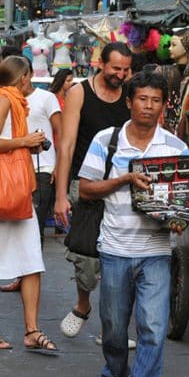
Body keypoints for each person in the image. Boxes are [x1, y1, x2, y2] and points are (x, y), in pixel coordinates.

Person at [78, 68, 188, 377]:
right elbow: (85, 189)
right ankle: (114, 375)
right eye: (142, 99)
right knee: (113, 324)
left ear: (164, 105)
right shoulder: (106, 141)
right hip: (114, 247)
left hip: (156, 250)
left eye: (156, 100)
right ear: (129, 102)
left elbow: (184, 201)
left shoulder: (176, 147)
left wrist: (179, 219)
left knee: (153, 327)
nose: (148, 106)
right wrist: (124, 178)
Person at [0, 56, 56, 354]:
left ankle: (32, 330)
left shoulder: (11, 102)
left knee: (31, 260)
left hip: (14, 191)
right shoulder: (5, 100)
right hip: (1, 190)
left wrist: (28, 142)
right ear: (23, 78)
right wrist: (24, 140)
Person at [54, 42, 133, 340]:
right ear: (102, 64)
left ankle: (114, 326)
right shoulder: (79, 93)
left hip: (125, 185)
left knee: (123, 257)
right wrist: (61, 196)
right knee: (87, 256)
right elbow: (67, 145)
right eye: (116, 69)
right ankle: (83, 304)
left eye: (126, 69)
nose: (121, 75)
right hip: (86, 184)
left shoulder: (131, 92)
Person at [0, 76, 63, 293]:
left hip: (41, 169)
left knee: (34, 227)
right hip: (13, 169)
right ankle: (23, 275)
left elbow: (61, 133)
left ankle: (28, 278)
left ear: (26, 76)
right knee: (16, 225)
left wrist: (59, 167)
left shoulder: (46, 98)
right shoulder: (6, 99)